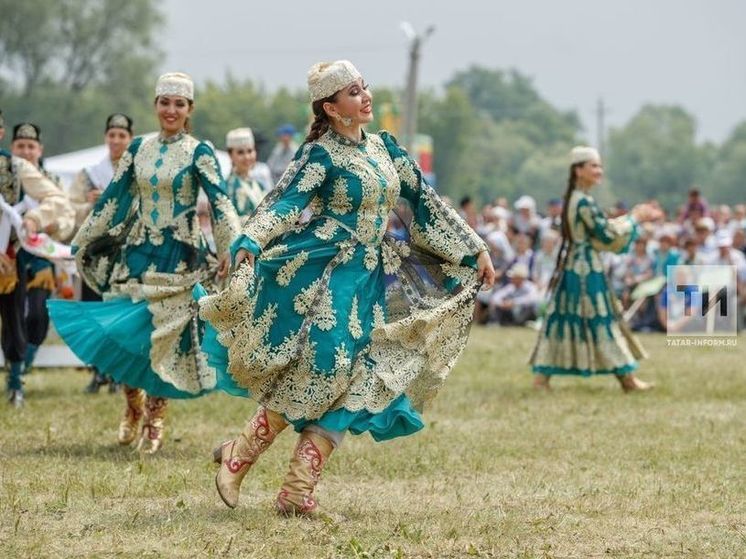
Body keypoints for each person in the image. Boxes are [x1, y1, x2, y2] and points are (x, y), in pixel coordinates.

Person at [196, 60, 495, 515]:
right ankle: (239, 457)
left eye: (364, 87)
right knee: (324, 367)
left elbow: (424, 201)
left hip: (371, 280)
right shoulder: (320, 155)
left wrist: (474, 249)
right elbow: (283, 202)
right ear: (332, 108)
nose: (365, 97)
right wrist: (252, 239)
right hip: (322, 274)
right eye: (353, 92)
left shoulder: (384, 149)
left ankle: (296, 493)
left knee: (357, 378)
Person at [48, 73, 241, 452]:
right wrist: (84, 237)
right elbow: (114, 198)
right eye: (164, 102)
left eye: (179, 104)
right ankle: (132, 407)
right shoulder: (138, 148)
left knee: (165, 339)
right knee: (125, 334)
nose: (171, 110)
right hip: (136, 252)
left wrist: (230, 248)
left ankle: (155, 418)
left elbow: (220, 203)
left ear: (189, 110)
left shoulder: (199, 152)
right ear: (155, 105)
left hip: (180, 256)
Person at [529, 146, 660, 392]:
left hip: (576, 267)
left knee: (565, 317)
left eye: (600, 166)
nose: (599, 171)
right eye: (594, 166)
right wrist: (635, 219)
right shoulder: (583, 202)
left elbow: (601, 231)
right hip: (585, 271)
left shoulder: (576, 199)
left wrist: (630, 219)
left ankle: (542, 378)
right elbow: (606, 234)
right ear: (578, 170)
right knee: (603, 319)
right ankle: (627, 380)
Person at [0, 115, 75, 407]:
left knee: (23, 317)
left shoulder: (13, 167)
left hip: (16, 257)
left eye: (32, 145)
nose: (27, 151)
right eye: (22, 145)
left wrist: (36, 220)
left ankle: (17, 379)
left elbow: (59, 203)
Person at [69, 113, 134, 393]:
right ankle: (98, 371)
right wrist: (89, 204)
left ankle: (119, 372)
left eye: (122, 135)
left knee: (118, 313)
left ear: (130, 139)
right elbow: (70, 210)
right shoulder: (91, 174)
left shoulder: (135, 171)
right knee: (93, 311)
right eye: (112, 135)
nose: (117, 140)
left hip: (124, 252)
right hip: (95, 252)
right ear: (106, 138)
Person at [224, 127, 267, 224]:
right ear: (230, 155)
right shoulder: (226, 187)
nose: (247, 157)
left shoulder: (260, 186)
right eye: (240, 152)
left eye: (250, 151)